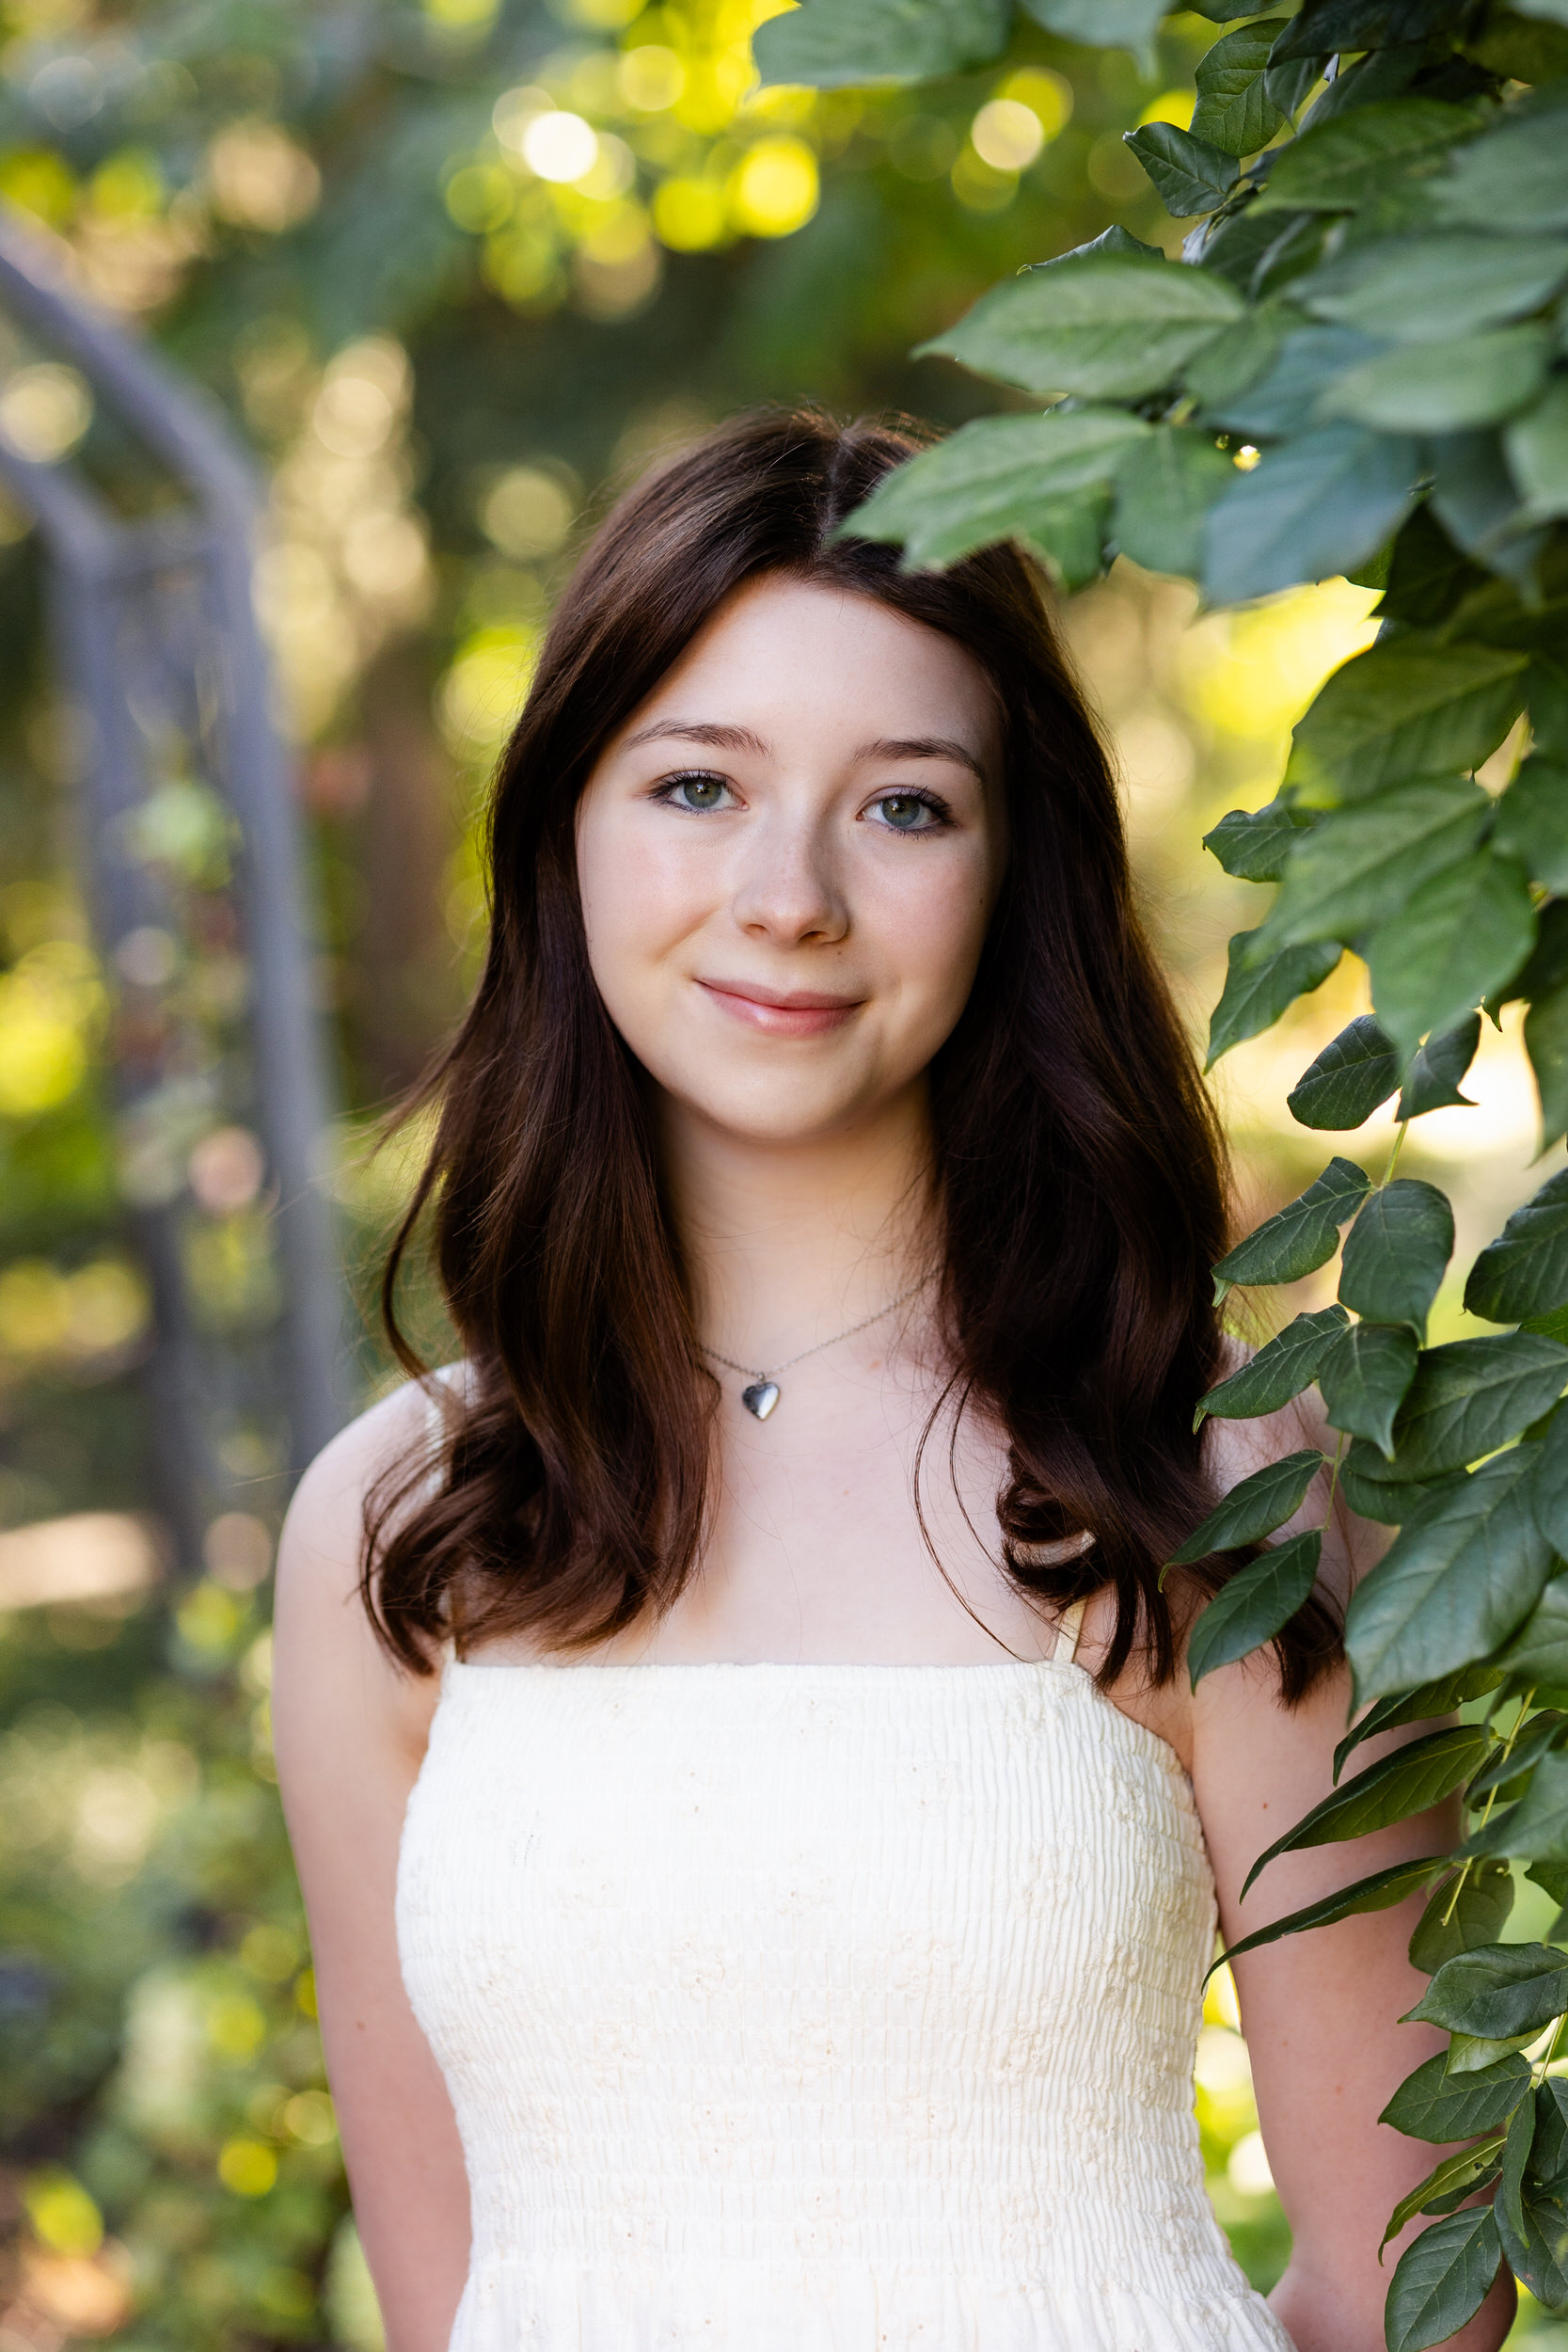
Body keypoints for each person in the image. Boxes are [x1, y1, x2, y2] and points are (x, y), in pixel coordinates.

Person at [271, 409, 1512, 2352]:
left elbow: (1404, 2286)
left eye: (904, 805)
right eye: (697, 784)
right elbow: (455, 2307)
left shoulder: (1207, 1458)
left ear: (1013, 870)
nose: (788, 895)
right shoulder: (398, 1520)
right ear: (564, 825)